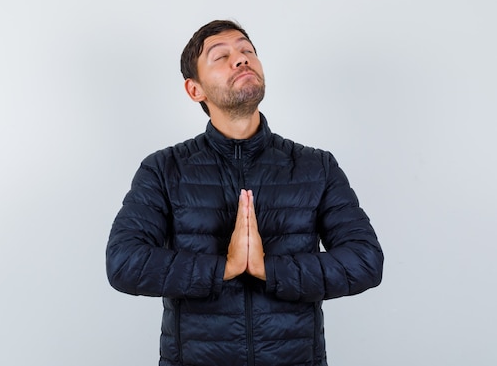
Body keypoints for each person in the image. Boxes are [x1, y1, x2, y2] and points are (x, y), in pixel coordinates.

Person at [106, 19, 384, 366]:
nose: (240, 59)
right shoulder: (164, 169)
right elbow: (123, 263)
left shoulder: (316, 166)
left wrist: (270, 270)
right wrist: (225, 268)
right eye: (220, 56)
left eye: (247, 50)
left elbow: (366, 260)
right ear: (195, 90)